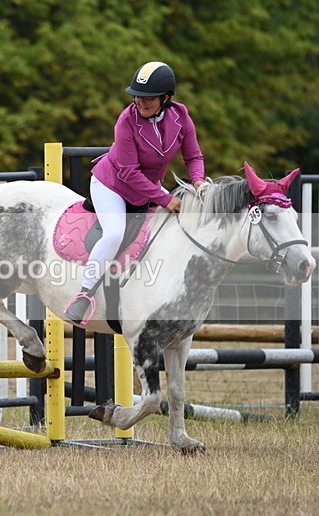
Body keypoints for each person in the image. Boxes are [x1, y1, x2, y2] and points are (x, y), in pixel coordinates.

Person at [65, 61, 206, 325]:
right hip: (113, 185)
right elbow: (129, 172)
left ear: (166, 98)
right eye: (137, 95)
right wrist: (165, 198)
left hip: (148, 187)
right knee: (115, 233)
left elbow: (194, 155)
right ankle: (84, 294)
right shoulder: (126, 120)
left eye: (148, 97)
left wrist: (199, 182)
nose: (141, 101)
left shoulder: (181, 115)